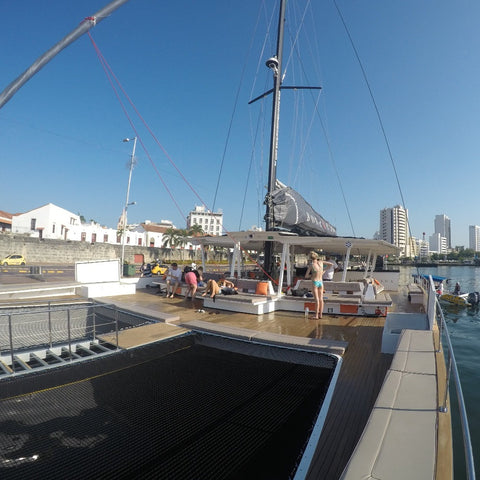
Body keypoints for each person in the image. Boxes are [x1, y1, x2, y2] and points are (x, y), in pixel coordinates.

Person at [305, 251, 335, 320]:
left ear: (310, 258)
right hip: (321, 282)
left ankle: (316, 315)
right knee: (321, 299)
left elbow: (306, 276)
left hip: (315, 282)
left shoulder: (311, 265)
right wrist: (323, 270)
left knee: (317, 300)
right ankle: (320, 314)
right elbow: (331, 264)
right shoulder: (321, 262)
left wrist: (312, 275)